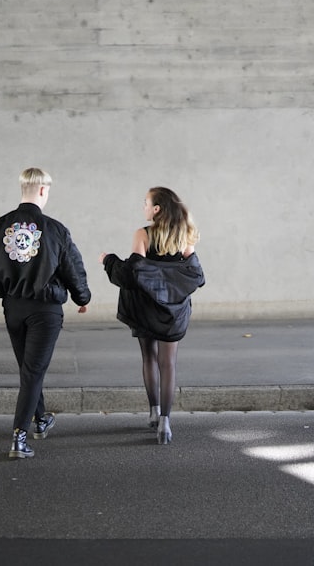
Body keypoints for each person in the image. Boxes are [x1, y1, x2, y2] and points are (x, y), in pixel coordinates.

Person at [0, 168, 91, 459]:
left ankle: (40, 420)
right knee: (33, 372)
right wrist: (82, 297)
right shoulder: (55, 229)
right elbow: (72, 267)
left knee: (29, 371)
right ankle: (19, 437)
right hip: (45, 310)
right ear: (42, 190)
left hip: (13, 308)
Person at [100, 187, 204, 445]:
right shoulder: (184, 236)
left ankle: (153, 412)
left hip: (145, 308)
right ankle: (166, 423)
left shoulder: (143, 234)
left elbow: (132, 274)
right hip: (174, 311)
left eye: (146, 203)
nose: (143, 207)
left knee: (149, 358)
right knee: (169, 363)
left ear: (156, 209)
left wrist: (109, 260)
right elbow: (195, 275)